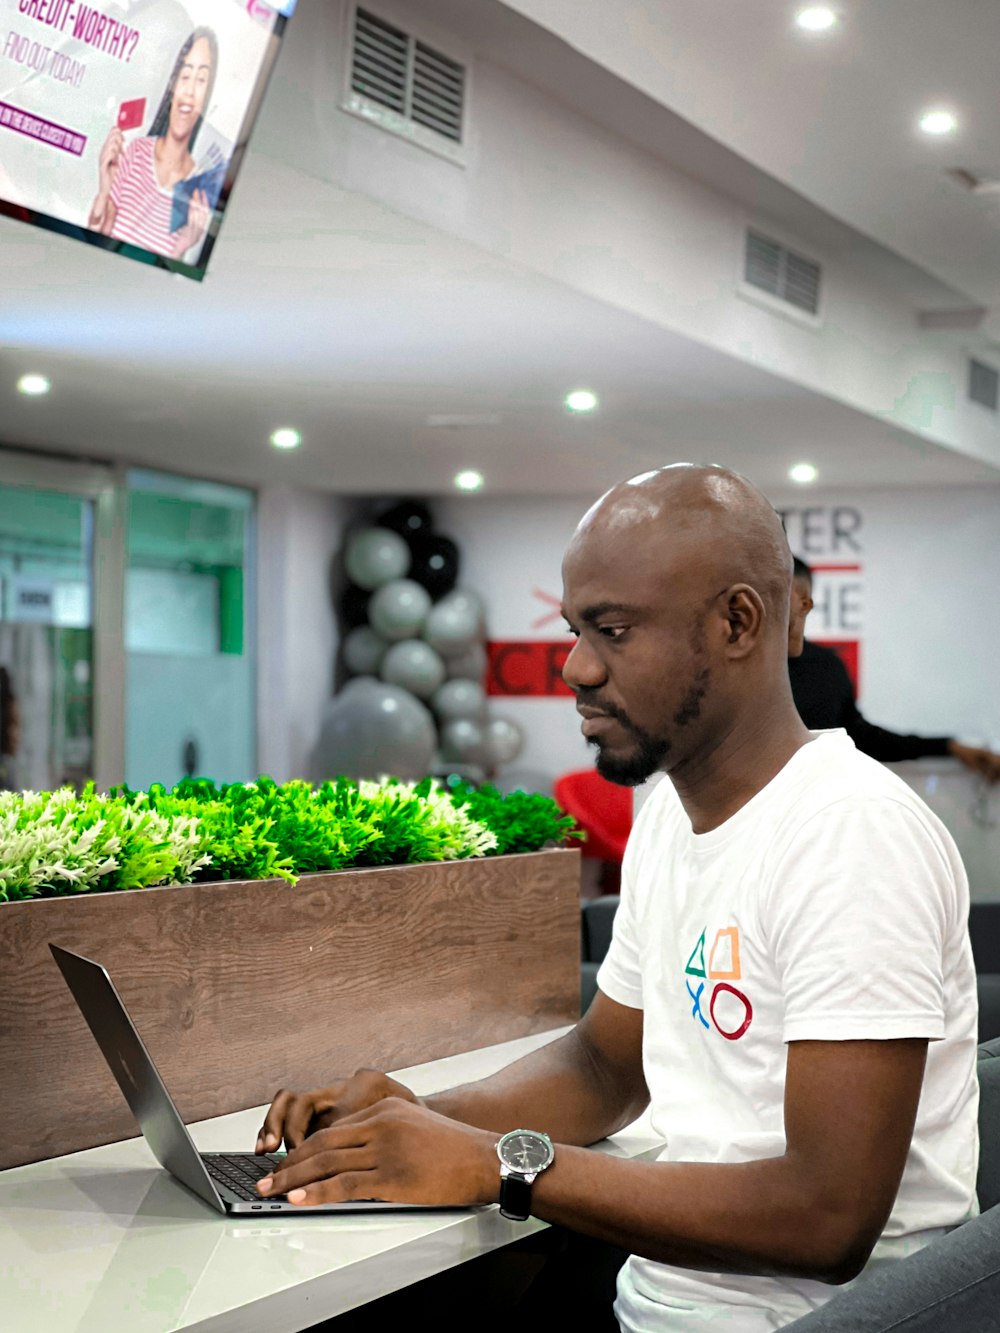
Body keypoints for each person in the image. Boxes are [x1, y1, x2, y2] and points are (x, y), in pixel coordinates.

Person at [253, 465, 978, 1332]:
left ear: (739, 621)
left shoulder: (851, 834)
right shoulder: (672, 808)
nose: (575, 665)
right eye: (573, 628)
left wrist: (502, 1162)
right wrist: (410, 1121)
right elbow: (604, 1066)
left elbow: (826, 1217)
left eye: (615, 629)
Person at [789, 556, 1000, 781]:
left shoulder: (826, 668)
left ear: (805, 603)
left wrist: (948, 747)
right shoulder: (748, 668)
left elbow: (864, 738)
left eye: (778, 590)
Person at [88, 27, 219, 260]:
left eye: (201, 81)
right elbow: (98, 234)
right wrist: (104, 187)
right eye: (185, 76)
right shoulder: (136, 151)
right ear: (172, 84)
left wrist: (183, 246)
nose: (189, 92)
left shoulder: (199, 191)